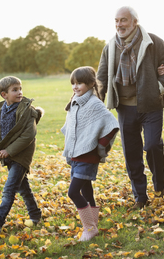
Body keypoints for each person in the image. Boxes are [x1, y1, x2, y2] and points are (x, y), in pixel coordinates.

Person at [97, 6, 164, 210]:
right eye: (117, 21)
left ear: (134, 22)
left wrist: (160, 86)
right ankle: (140, 195)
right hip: (125, 108)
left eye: (124, 20)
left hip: (151, 105)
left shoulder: (153, 42)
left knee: (153, 145)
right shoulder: (110, 47)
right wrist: (96, 102)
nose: (119, 24)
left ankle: (159, 185)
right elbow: (101, 77)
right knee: (132, 153)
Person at [0, 76, 43, 236]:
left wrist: (9, 151)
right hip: (9, 156)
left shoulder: (27, 111)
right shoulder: (0, 111)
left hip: (21, 156)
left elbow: (28, 136)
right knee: (23, 188)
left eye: (20, 88)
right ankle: (35, 215)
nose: (20, 92)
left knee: (9, 191)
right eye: (15, 90)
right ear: (4, 95)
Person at [61, 66, 119, 241]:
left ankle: (89, 228)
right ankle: (94, 226)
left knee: (73, 192)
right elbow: (71, 128)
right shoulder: (75, 101)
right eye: (73, 83)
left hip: (88, 156)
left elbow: (112, 123)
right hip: (76, 154)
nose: (75, 87)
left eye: (79, 83)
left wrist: (99, 145)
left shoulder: (94, 103)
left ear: (91, 83)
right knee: (87, 191)